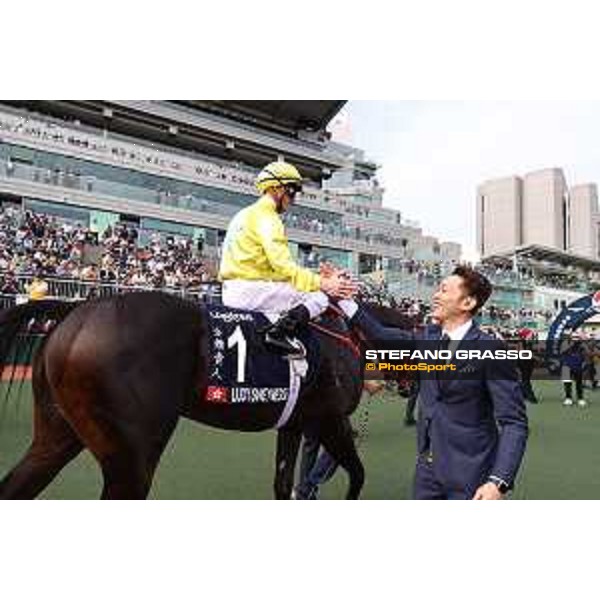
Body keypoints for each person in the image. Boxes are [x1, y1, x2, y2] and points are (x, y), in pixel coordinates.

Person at [338, 266, 529, 500]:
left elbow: (514, 422)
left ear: (467, 303)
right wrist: (343, 299)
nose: (435, 295)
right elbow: (381, 333)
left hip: (472, 473)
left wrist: (498, 482)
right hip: (427, 471)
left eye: (443, 290)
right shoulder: (428, 337)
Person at [218, 161, 355, 354]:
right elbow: (284, 267)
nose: (293, 199)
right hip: (251, 292)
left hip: (235, 289)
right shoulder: (269, 218)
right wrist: (324, 284)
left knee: (307, 289)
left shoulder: (244, 214)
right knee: (320, 298)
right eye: (292, 191)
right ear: (276, 189)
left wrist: (317, 277)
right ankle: (277, 334)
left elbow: (275, 270)